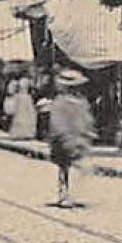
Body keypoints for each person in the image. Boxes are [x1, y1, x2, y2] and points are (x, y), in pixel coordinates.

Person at [46, 69, 94, 209]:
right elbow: (56, 123)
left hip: (79, 140)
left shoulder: (82, 102)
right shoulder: (60, 102)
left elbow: (87, 120)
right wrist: (62, 137)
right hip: (65, 140)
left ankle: (73, 194)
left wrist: (88, 133)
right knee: (64, 168)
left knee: (76, 169)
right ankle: (65, 194)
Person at [6, 73, 37, 140]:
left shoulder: (18, 83)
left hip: (22, 98)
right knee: (24, 116)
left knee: (22, 116)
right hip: (24, 98)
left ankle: (21, 133)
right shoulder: (24, 82)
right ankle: (25, 133)